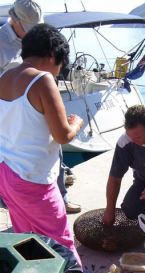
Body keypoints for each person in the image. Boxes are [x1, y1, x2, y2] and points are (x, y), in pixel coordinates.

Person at [0, 23, 115, 273]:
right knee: (61, 240)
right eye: (60, 62)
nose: (59, 69)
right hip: (34, 179)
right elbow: (63, 134)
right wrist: (76, 122)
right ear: (52, 54)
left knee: (28, 236)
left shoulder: (5, 76)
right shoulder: (42, 81)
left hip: (8, 173)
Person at [0, 0, 81, 214]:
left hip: (38, 105)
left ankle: (60, 197)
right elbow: (65, 135)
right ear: (13, 19)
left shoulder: (37, 48)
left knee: (54, 151)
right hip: (15, 112)